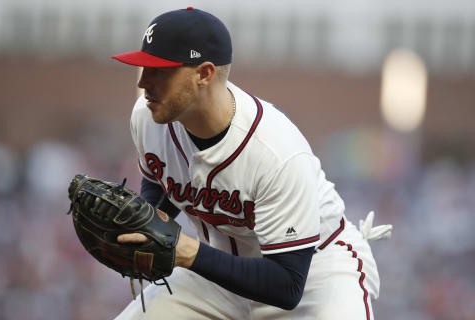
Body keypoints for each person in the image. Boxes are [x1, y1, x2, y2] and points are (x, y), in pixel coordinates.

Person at [111, 7, 392, 320]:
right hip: (215, 269)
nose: (145, 82)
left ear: (204, 74)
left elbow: (287, 284)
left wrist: (188, 252)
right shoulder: (148, 117)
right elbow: (159, 176)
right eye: (144, 67)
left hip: (315, 272)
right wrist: (150, 218)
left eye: (159, 71)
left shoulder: (276, 152)